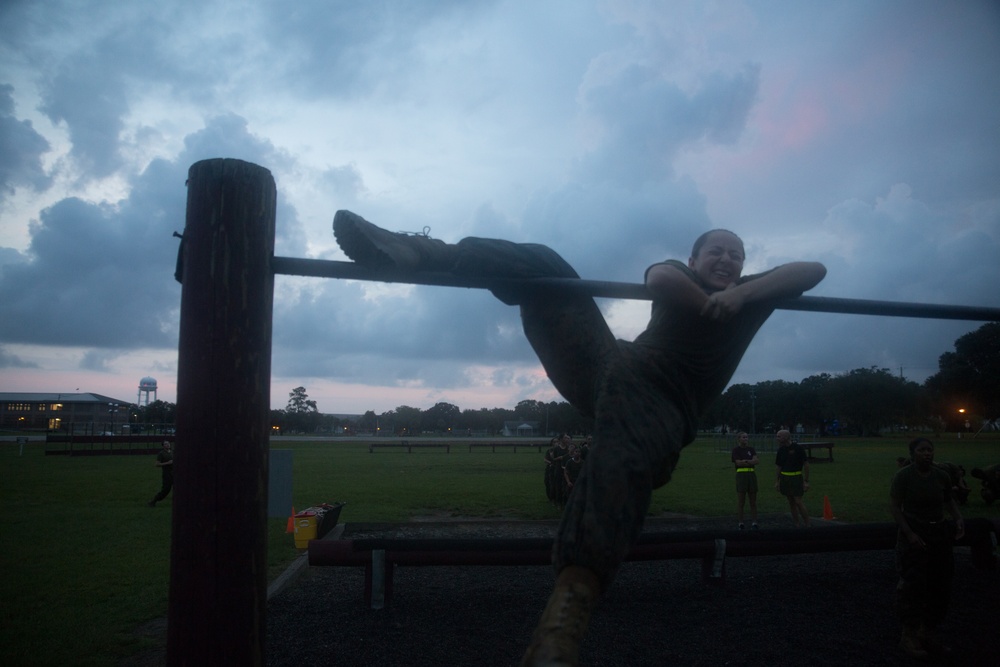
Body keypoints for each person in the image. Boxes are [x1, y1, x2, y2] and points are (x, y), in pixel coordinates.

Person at [332, 210, 826, 666]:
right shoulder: (682, 274)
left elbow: (813, 269)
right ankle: (422, 253)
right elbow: (660, 277)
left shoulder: (752, 295)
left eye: (736, 254)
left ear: (745, 267)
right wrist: (708, 301)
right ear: (696, 259)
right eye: (715, 251)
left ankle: (566, 611)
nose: (726, 258)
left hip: (662, 404)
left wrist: (739, 296)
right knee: (548, 267)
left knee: (626, 457)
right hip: (607, 365)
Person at [890, 438, 965, 659]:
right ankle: (909, 635)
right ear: (913, 454)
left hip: (938, 533)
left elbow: (948, 500)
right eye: (922, 450)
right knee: (913, 585)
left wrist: (958, 518)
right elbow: (894, 505)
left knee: (940, 583)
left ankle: (928, 630)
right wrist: (909, 533)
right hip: (914, 532)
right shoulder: (904, 476)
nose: (927, 454)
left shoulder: (941, 475)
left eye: (930, 450)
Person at [774, 429, 810, 527]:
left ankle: (807, 524)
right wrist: (777, 481)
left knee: (798, 501)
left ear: (786, 437)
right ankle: (796, 523)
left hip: (796, 477)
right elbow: (778, 466)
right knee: (791, 502)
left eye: (779, 436)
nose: (777, 438)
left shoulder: (798, 448)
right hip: (785, 478)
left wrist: (806, 481)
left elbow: (806, 464)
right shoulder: (781, 450)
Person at [731, 431, 759, 529]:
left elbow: (756, 461)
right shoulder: (736, 450)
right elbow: (738, 463)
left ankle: (754, 522)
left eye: (746, 437)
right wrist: (750, 462)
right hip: (741, 476)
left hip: (751, 475)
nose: (745, 439)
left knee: (753, 501)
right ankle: (741, 522)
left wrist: (746, 461)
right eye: (743, 437)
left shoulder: (751, 449)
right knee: (741, 501)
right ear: (739, 439)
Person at [148, 440, 174, 507]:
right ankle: (153, 501)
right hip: (167, 474)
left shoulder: (172, 452)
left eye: (168, 443)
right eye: (165, 444)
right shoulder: (161, 454)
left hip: (174, 473)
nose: (167, 445)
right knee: (166, 489)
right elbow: (157, 464)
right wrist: (167, 463)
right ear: (163, 446)